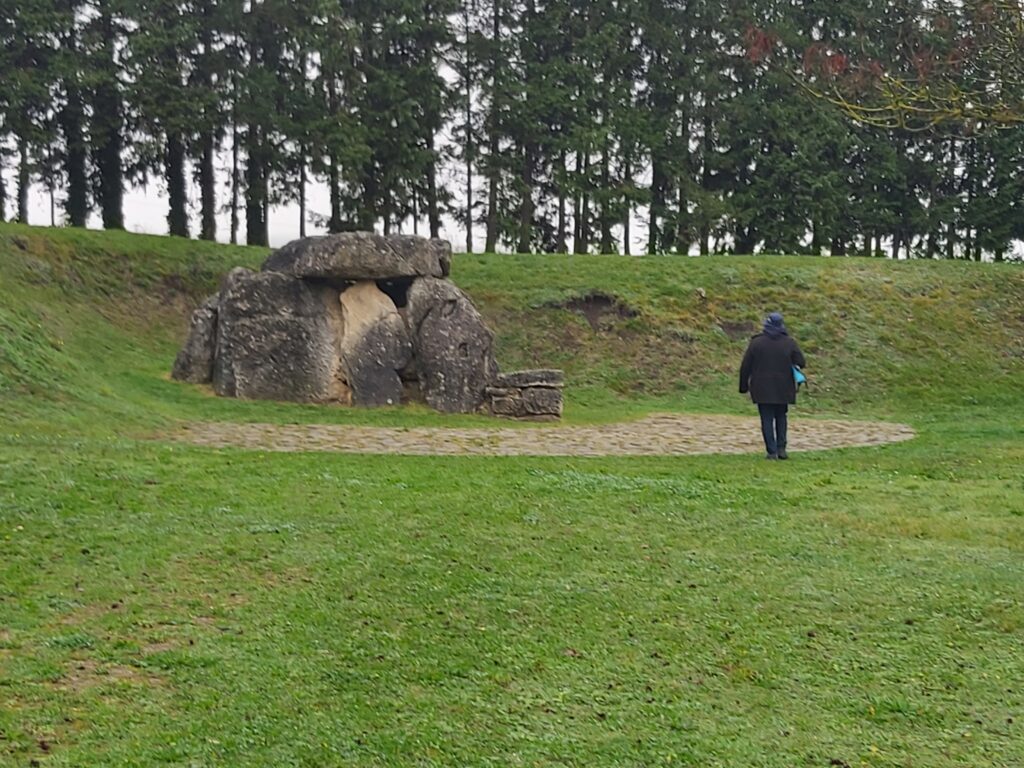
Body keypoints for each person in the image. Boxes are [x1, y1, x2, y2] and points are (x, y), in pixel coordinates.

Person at [739, 312, 806, 460]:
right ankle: (782, 449)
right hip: (784, 387)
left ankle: (771, 451)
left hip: (761, 387)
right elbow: (801, 362)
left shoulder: (756, 342)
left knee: (766, 418)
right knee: (781, 416)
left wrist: (743, 386)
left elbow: (746, 366)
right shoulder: (789, 342)